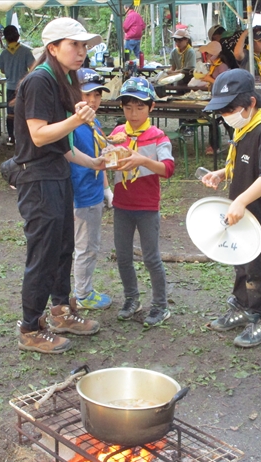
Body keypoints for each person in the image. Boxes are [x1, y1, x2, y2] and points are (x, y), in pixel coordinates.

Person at [13, 18, 106, 354]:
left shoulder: (63, 79)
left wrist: (93, 162)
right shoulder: (40, 81)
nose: (82, 52)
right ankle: (30, 327)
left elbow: (63, 145)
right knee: (43, 253)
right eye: (74, 45)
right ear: (52, 48)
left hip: (57, 173)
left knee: (64, 246)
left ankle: (60, 310)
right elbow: (38, 135)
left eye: (84, 46)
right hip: (37, 178)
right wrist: (77, 118)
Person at [199, 69, 261, 348]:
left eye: (231, 108)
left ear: (251, 103)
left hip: (260, 212)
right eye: (222, 110)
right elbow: (246, 163)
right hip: (241, 213)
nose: (227, 115)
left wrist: (241, 200)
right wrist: (223, 172)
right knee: (240, 260)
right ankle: (242, 307)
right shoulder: (241, 128)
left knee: (258, 267)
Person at [108, 77, 175, 327]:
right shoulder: (117, 134)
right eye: (127, 108)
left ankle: (160, 306)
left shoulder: (158, 137)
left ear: (151, 107)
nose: (133, 113)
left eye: (139, 107)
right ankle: (131, 299)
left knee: (151, 258)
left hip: (147, 207)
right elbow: (108, 160)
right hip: (122, 205)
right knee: (123, 256)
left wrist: (142, 160)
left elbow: (167, 169)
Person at [71, 68, 114, 310]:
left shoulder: (93, 121)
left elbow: (101, 156)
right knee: (86, 248)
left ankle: (80, 290)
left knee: (88, 245)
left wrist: (107, 188)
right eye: (86, 94)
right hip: (81, 194)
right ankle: (83, 294)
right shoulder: (71, 124)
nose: (92, 100)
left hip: (95, 190)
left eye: (97, 94)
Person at [0, 25, 35, 146]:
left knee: (11, 113)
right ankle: (23, 136)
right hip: (23, 86)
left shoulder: (3, 53)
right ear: (18, 37)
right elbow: (33, 66)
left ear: (5, 39)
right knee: (24, 112)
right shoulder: (25, 51)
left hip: (10, 86)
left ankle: (10, 137)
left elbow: (2, 69)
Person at [198, 41, 230, 155]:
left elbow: (224, 84)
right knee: (213, 122)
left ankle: (232, 141)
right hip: (215, 97)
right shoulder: (212, 65)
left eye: (207, 54)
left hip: (224, 99)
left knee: (227, 122)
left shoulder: (222, 66)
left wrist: (209, 79)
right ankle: (214, 146)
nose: (206, 56)